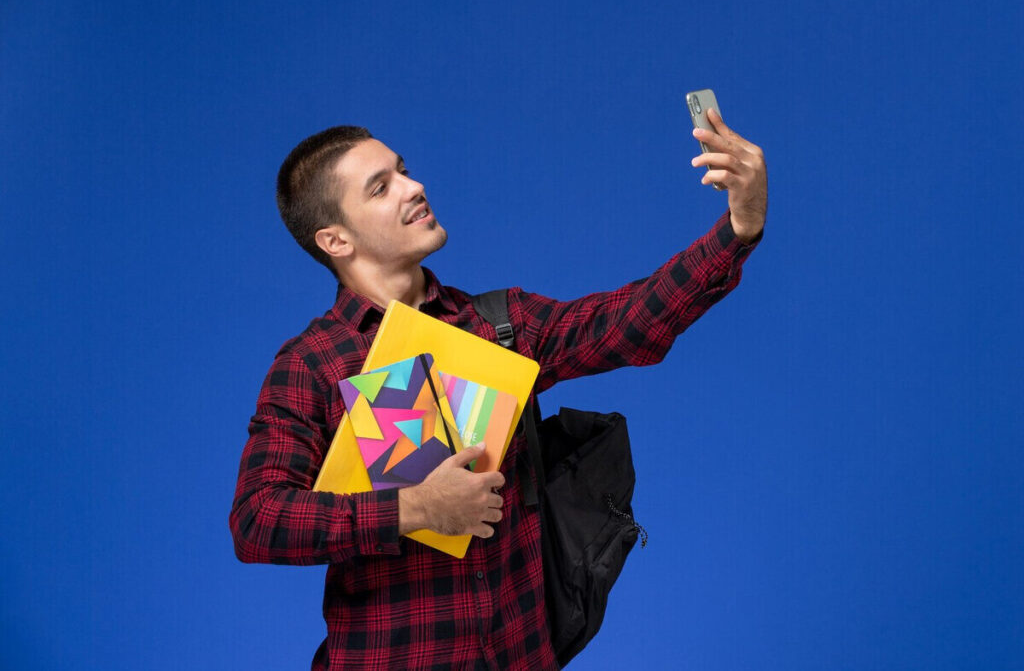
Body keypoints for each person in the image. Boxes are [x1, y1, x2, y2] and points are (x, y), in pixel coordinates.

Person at [229, 110, 767, 670]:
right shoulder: (313, 365)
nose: (415, 188)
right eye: (381, 187)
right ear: (335, 239)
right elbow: (258, 521)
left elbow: (625, 323)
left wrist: (738, 228)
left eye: (405, 171)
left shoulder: (500, 327)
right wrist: (414, 507)